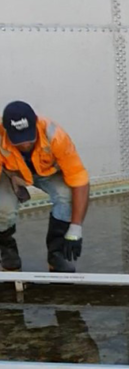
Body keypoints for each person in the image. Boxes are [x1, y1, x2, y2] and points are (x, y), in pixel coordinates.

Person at [0, 101, 89, 272]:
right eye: (18, 139)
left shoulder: (55, 135)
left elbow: (79, 179)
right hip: (12, 173)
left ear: (36, 123)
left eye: (28, 136)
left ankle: (56, 254)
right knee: (3, 209)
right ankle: (7, 251)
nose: (25, 144)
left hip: (47, 172)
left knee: (66, 195)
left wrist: (75, 229)